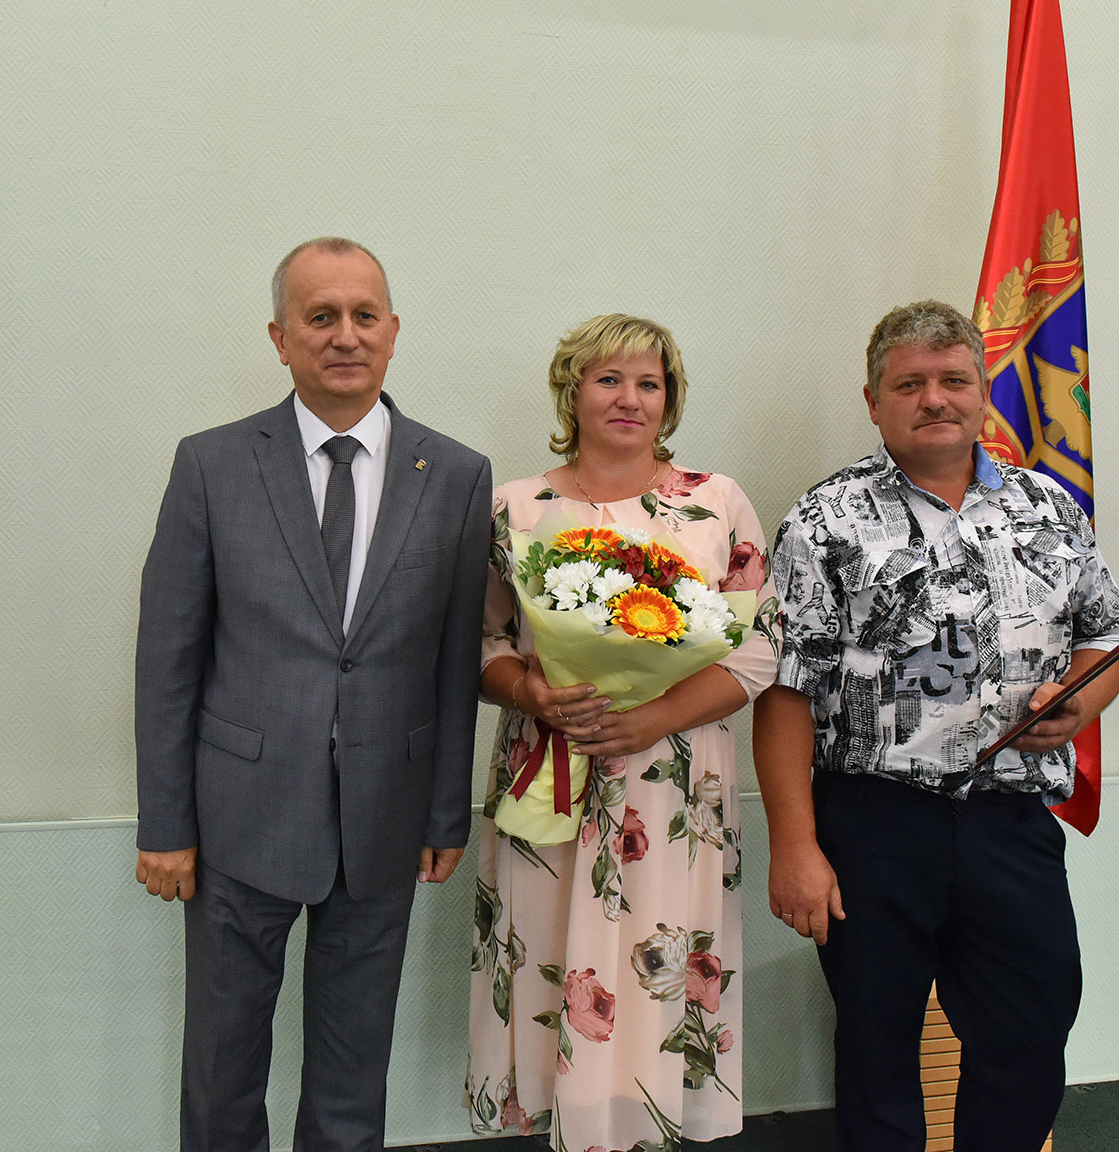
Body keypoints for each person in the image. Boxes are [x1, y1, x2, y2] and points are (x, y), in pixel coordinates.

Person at [135, 237, 492, 1152]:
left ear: (393, 331)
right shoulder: (212, 464)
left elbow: (455, 662)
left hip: (386, 820)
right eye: (320, 316)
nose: (345, 336)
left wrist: (444, 813)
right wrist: (165, 825)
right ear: (280, 336)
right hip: (239, 819)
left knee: (351, 1075)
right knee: (223, 1069)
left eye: (364, 316)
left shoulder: (455, 475)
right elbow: (168, 659)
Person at [755, 299, 1119, 1151]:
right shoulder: (825, 520)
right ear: (873, 400)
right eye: (910, 384)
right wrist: (795, 845)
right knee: (878, 1046)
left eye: (954, 380)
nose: (934, 399)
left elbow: (1106, 638)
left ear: (983, 390)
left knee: (1030, 1030)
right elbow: (786, 690)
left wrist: (1080, 701)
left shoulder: (1049, 507)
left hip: (1011, 822)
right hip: (874, 825)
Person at [466, 314, 780, 1150]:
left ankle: (650, 1122)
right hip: (551, 768)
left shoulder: (716, 503)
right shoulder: (515, 508)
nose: (630, 398)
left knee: (658, 959)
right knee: (550, 957)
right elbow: (480, 643)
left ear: (669, 399)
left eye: (650, 383)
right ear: (572, 391)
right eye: (609, 379)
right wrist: (532, 692)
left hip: (673, 780)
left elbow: (759, 648)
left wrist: (651, 717)